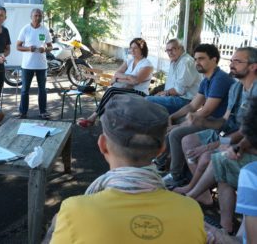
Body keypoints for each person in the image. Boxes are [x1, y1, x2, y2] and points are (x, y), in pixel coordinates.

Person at [46, 95, 206, 243]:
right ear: (162, 149)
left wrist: (54, 228)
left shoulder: (73, 212)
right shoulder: (191, 212)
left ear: (102, 145)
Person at [174, 47, 257, 197]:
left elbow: (246, 133)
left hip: (245, 140)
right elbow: (224, 121)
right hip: (231, 133)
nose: (232, 64)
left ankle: (192, 191)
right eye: (231, 60)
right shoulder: (236, 88)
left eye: (237, 61)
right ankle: (201, 193)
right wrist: (202, 122)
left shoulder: (254, 91)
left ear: (253, 66)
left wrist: (212, 145)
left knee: (208, 156)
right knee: (187, 140)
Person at [160, 44, 235, 188]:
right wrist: (172, 117)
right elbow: (193, 106)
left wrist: (179, 125)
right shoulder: (206, 79)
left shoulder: (220, 79)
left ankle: (177, 176)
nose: (197, 62)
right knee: (171, 128)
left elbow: (206, 111)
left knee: (175, 133)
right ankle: (167, 165)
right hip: (210, 121)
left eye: (201, 59)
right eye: (195, 59)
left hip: (221, 125)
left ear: (214, 60)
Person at [205, 97, 257, 243]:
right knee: (223, 159)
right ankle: (225, 226)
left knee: (221, 159)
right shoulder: (235, 89)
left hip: (233, 146)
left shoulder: (252, 174)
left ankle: (193, 194)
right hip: (226, 138)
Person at [77, 37, 153, 128]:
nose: (132, 50)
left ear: (142, 49)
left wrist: (119, 78)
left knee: (111, 91)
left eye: (135, 48)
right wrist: (127, 77)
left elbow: (135, 81)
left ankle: (93, 118)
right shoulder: (130, 60)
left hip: (140, 93)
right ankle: (102, 122)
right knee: (112, 92)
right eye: (131, 48)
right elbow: (117, 73)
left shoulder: (147, 65)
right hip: (125, 89)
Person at [146, 38, 201, 114]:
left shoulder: (185, 62)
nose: (170, 53)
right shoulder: (175, 61)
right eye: (168, 50)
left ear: (181, 49)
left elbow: (179, 91)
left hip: (185, 101)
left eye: (173, 49)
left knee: (147, 100)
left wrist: (163, 93)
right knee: (147, 98)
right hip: (175, 97)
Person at [16, 8, 53, 119]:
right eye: (36, 15)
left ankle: (43, 112)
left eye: (40, 16)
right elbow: (18, 46)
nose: (38, 18)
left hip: (42, 65)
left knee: (42, 90)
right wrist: (28, 48)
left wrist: (45, 49)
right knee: (24, 90)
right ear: (31, 16)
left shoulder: (45, 30)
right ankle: (23, 112)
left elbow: (50, 46)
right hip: (27, 65)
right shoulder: (25, 29)